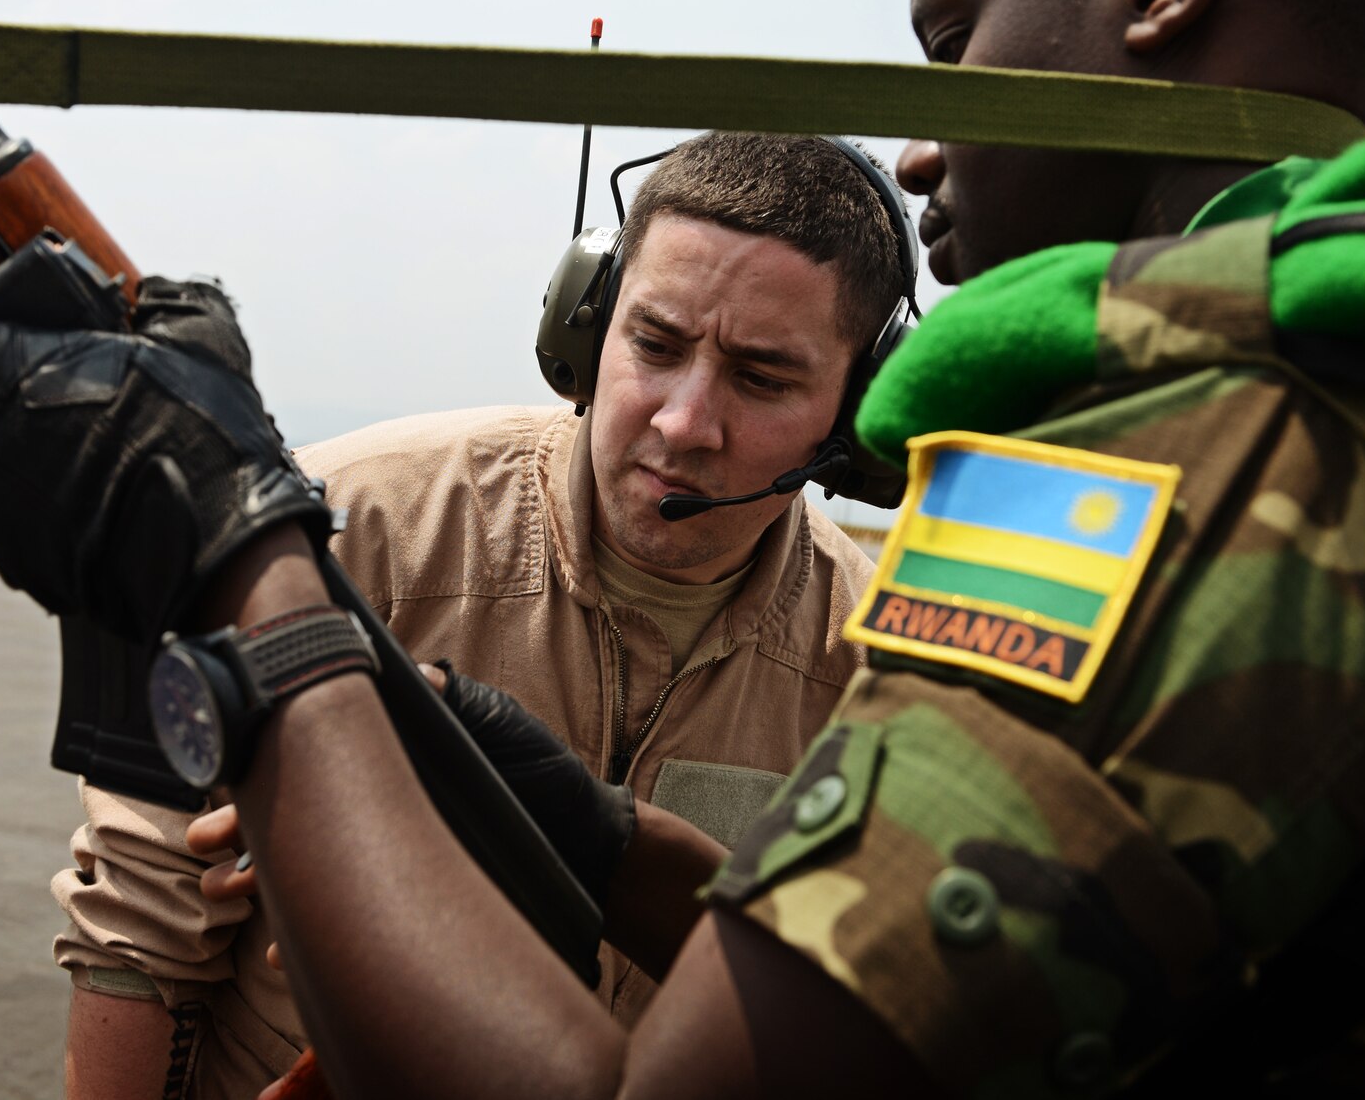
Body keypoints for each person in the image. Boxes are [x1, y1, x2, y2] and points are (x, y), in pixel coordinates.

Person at [0, 0, 1365, 1092]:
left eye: (957, 38)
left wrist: (258, 587)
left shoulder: (1177, 467)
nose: (928, 147)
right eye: (654, 344)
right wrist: (585, 828)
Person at [51, 133, 909, 1097]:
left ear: (857, 419)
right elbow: (138, 924)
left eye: (761, 378)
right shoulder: (338, 523)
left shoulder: (882, 666)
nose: (681, 422)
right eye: (654, 346)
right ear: (587, 330)